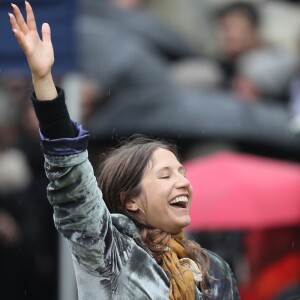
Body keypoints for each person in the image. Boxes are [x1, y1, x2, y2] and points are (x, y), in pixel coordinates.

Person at [8, 2, 240, 299]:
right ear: (130, 201)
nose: (183, 182)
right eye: (165, 176)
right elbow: (71, 177)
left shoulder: (214, 270)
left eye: (181, 172)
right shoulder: (108, 252)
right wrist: (43, 80)